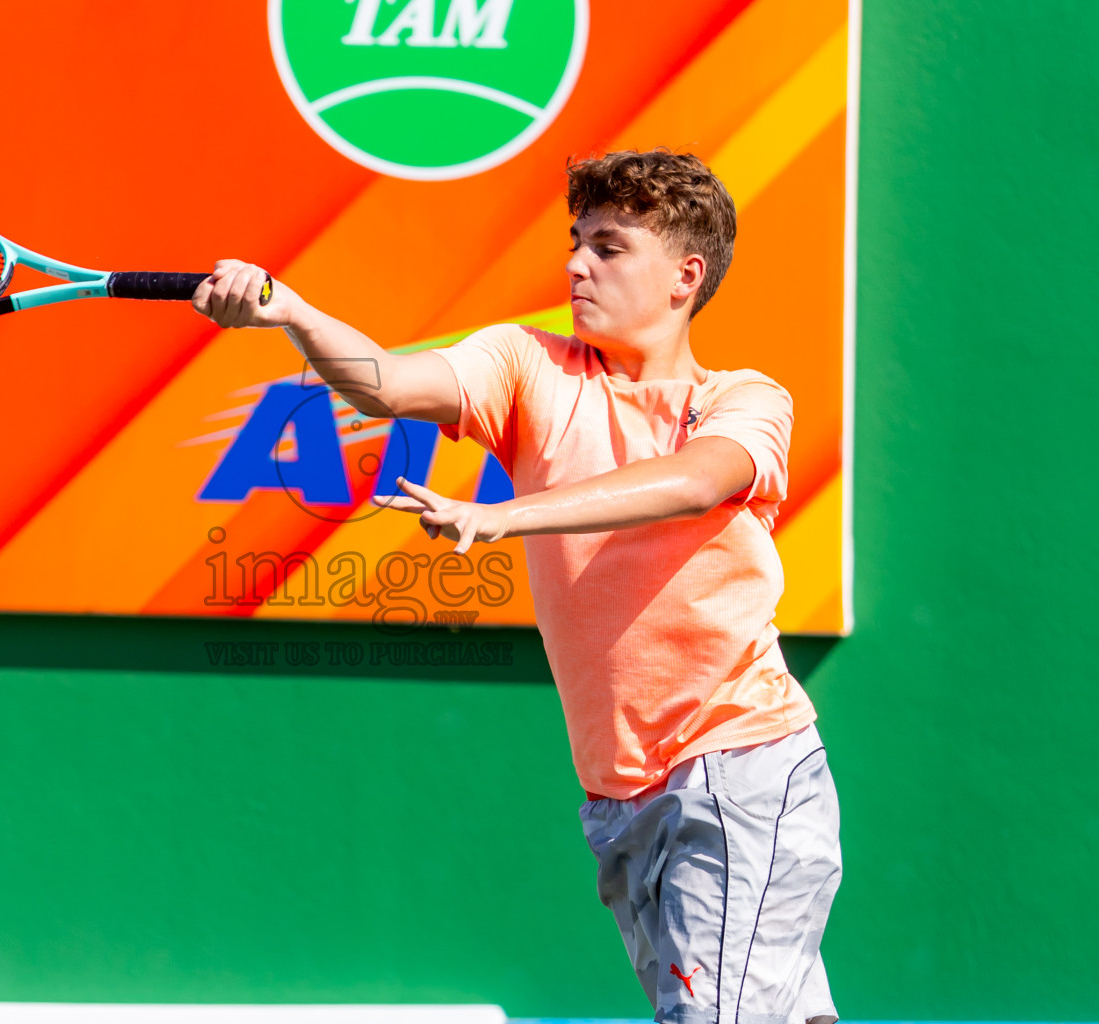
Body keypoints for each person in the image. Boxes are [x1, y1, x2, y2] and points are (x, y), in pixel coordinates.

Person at [192, 149, 840, 1024]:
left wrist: (504, 517)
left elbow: (693, 482)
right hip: (624, 800)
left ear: (686, 276)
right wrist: (292, 312)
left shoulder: (743, 400)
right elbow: (383, 384)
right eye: (576, 241)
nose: (576, 264)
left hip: (738, 770)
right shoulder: (525, 363)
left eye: (608, 248)